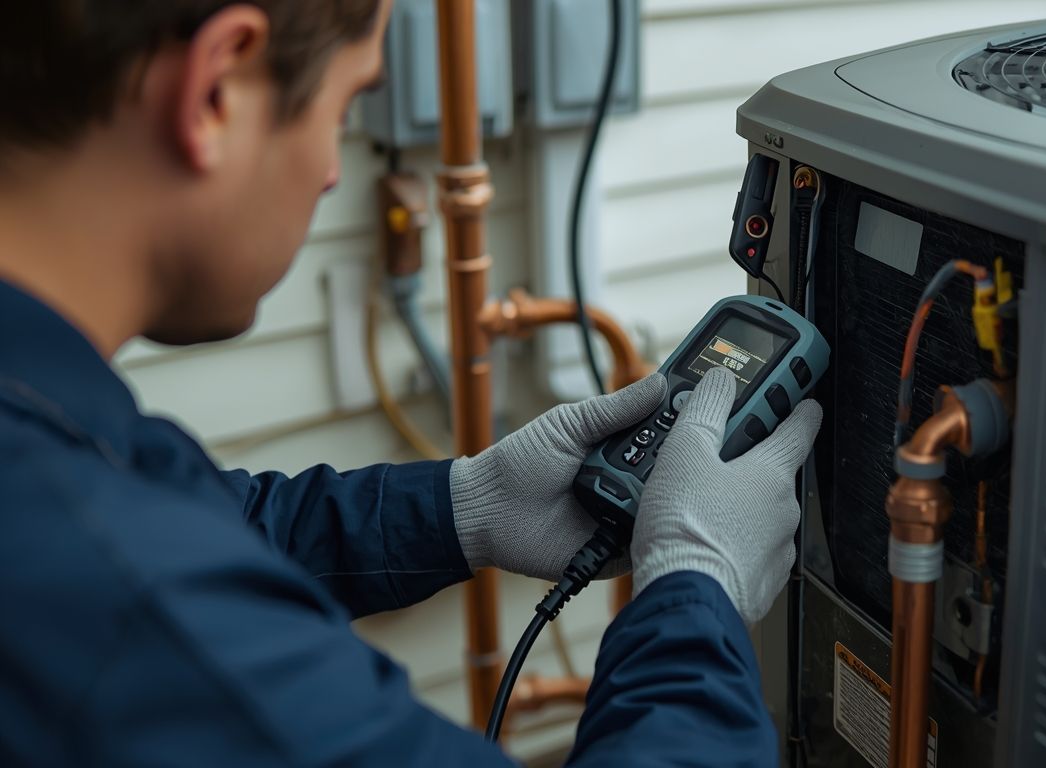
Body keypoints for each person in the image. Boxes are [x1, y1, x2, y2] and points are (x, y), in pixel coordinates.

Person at [0, 1, 823, 765]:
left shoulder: (51, 433)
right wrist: (696, 591)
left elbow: (200, 518)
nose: (331, 171)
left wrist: (465, 506)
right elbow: (160, 563)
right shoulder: (138, 605)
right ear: (217, 88)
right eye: (346, 105)